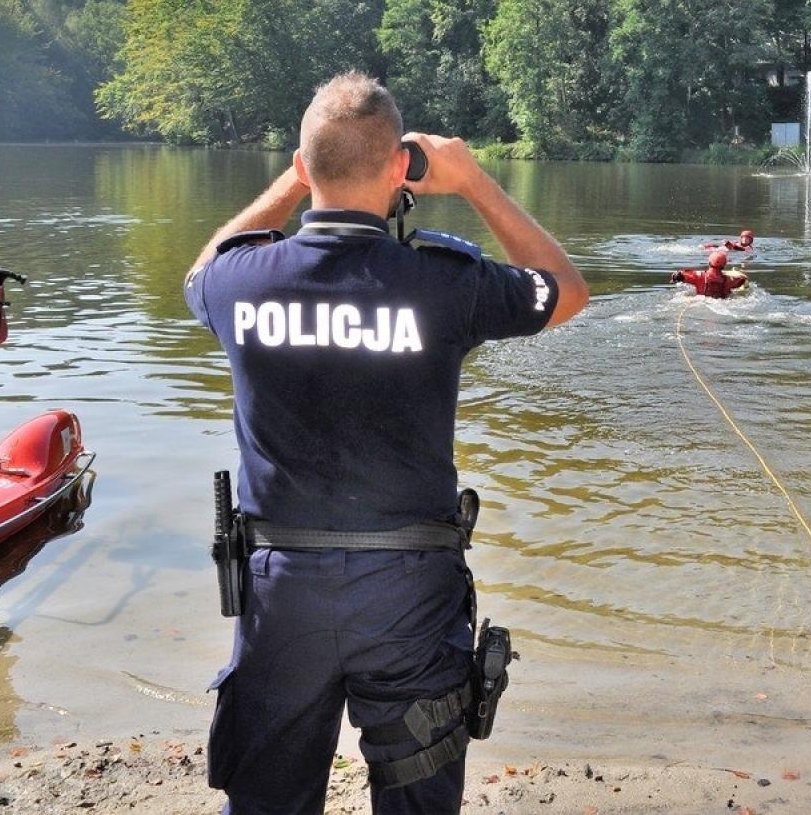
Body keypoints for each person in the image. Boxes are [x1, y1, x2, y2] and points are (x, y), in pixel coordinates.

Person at [184, 72, 589, 815]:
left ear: (303, 165)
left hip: (282, 591)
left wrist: (296, 179)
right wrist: (474, 183)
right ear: (401, 168)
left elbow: (199, 271)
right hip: (411, 593)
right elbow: (565, 287)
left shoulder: (238, 283)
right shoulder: (447, 283)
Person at [669, 249, 748, 298]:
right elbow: (743, 279)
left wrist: (677, 276)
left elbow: (678, 276)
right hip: (722, 303)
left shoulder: (698, 276)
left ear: (709, 262)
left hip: (701, 301)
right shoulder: (729, 280)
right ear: (724, 265)